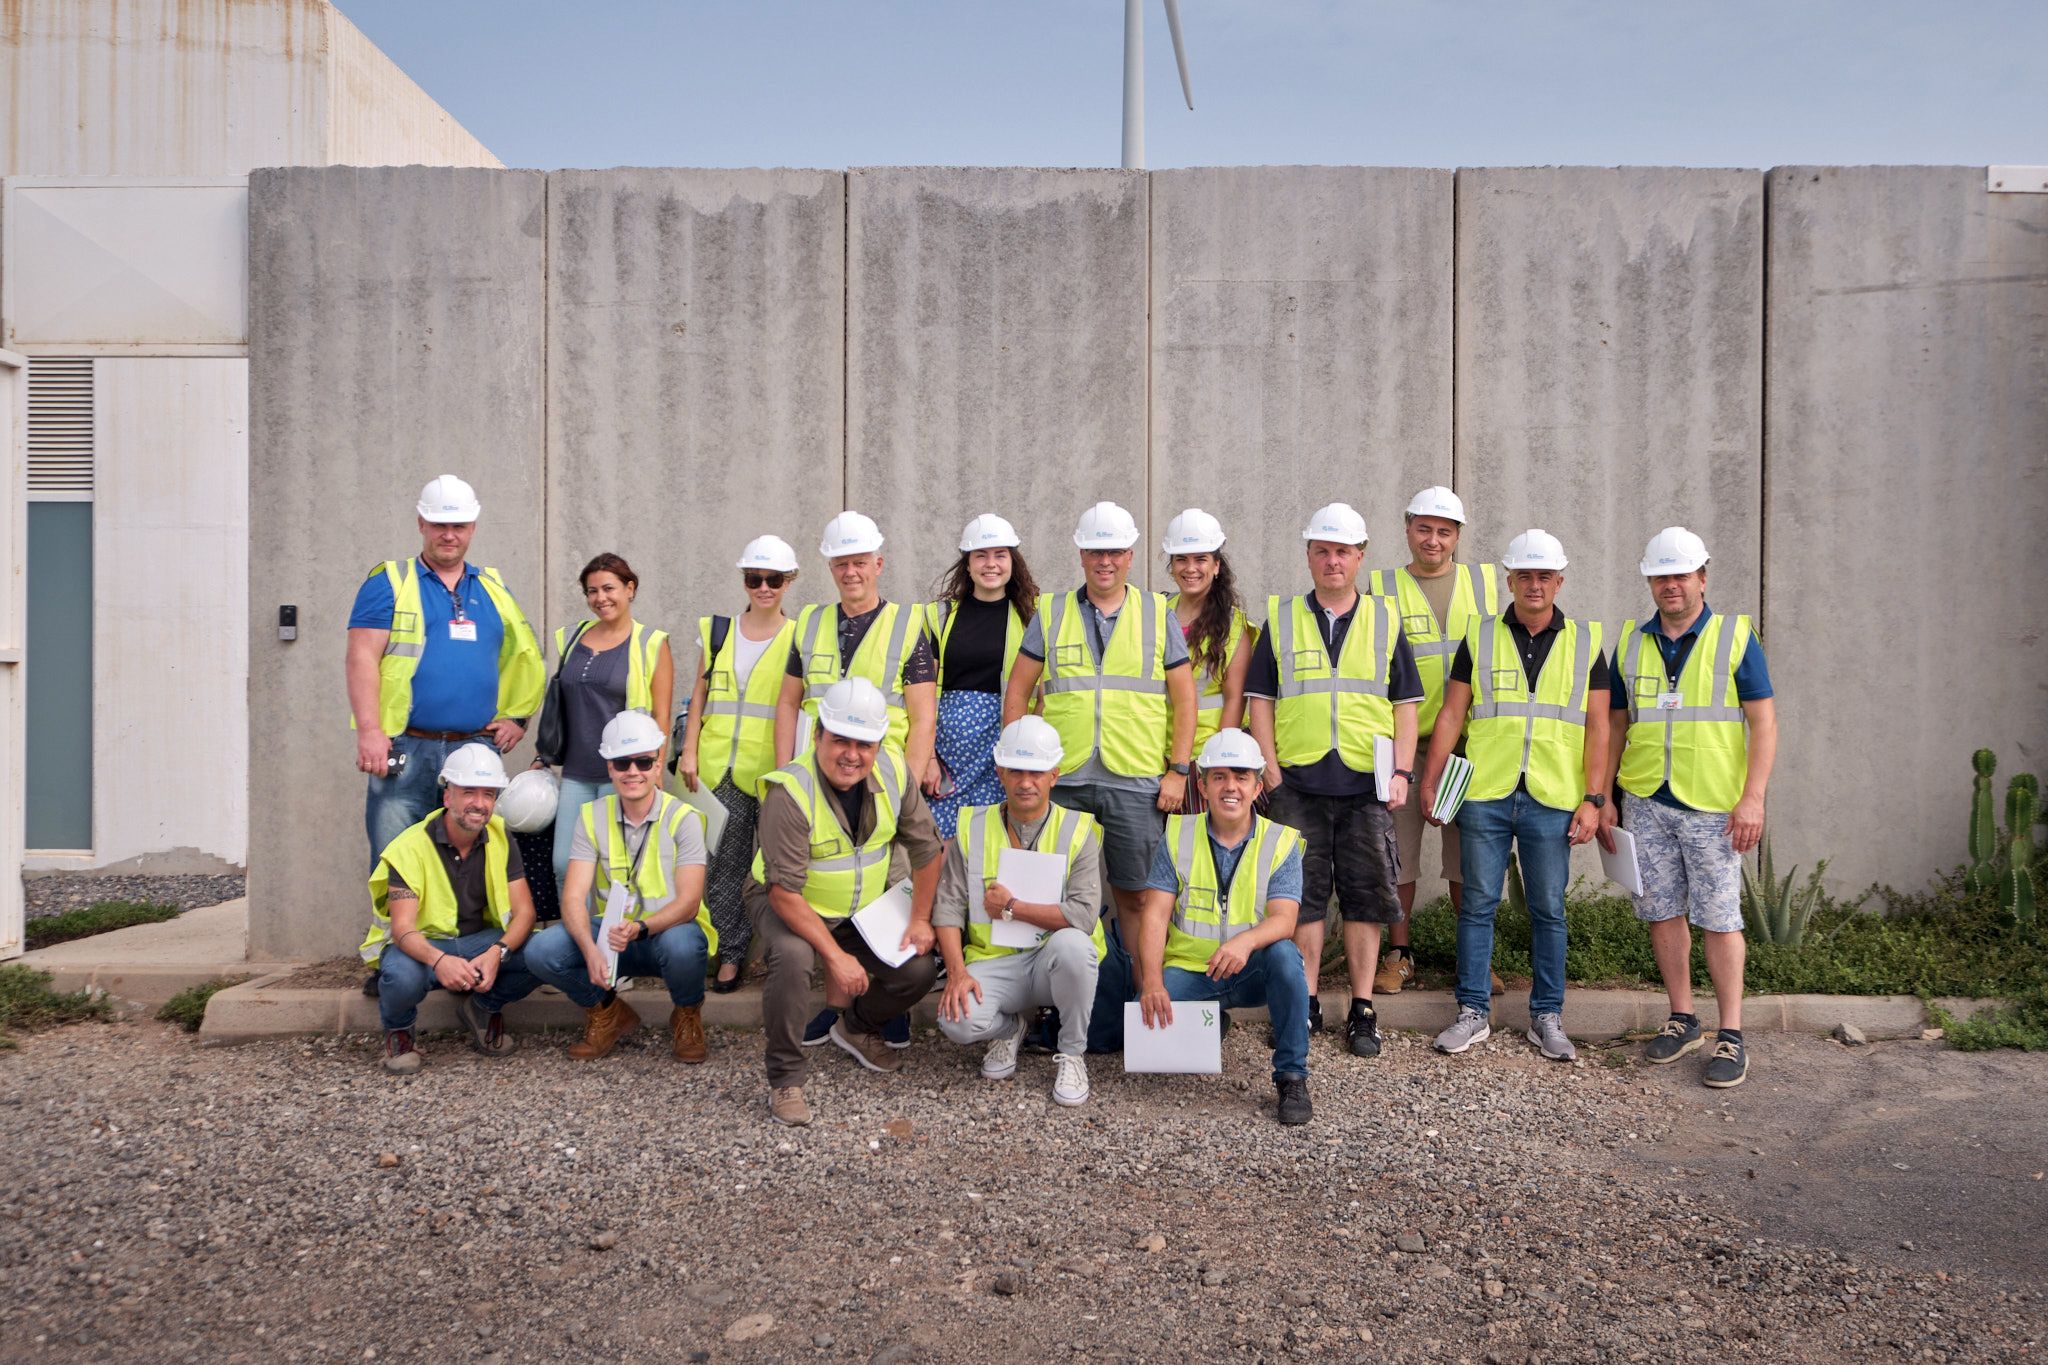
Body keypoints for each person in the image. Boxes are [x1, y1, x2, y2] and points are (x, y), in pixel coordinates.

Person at [1420, 531, 1609, 1062]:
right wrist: (1432, 782)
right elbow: (1452, 714)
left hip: (1552, 798)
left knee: (1548, 909)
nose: (1534, 585)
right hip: (1486, 792)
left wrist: (1593, 798)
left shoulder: (1586, 640)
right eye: (1524, 575)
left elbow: (1599, 728)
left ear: (1559, 581)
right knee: (1477, 904)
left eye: (1544, 576)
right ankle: (1472, 1013)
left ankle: (1547, 1017)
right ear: (1509, 580)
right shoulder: (1479, 637)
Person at [1598, 527, 1776, 1089]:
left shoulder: (1734, 637)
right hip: (1647, 801)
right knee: (1662, 912)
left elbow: (1763, 722)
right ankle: (1682, 1018)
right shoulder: (1630, 640)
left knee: (1720, 919)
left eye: (1680, 575)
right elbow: (1616, 725)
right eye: (1660, 576)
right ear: (1649, 581)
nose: (1670, 585)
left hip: (1714, 806)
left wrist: (1753, 798)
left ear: (1702, 577)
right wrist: (1603, 796)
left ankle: (1731, 1034)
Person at [1245, 502, 1423, 1059]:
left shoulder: (1385, 620)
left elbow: (1406, 706)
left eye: (1342, 551)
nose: (1331, 561)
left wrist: (1400, 772)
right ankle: (1308, 1000)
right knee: (1302, 900)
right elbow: (1260, 701)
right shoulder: (1282, 618)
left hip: (1366, 787)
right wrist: (1268, 766)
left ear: (1360, 557)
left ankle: (1364, 1007)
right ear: (1308, 555)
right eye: (1321, 550)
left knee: (1367, 898)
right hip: (1297, 783)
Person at [1004, 501, 1197, 1008]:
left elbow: (1185, 700)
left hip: (1135, 777)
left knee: (1136, 896)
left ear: (1131, 555)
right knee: (1047, 894)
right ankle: (1048, 1008)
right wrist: (1023, 764)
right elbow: (1018, 691)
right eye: (1094, 551)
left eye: (1113, 550)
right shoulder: (1052, 611)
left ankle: (1140, 1002)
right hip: (1062, 778)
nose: (1104, 560)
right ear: (1081, 554)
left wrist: (1178, 770)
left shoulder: (1159, 613)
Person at [748, 678, 946, 1126]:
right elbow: (784, 892)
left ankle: (855, 1027)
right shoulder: (789, 792)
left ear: (878, 745)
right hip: (787, 902)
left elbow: (927, 849)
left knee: (916, 968)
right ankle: (785, 1080)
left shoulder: (893, 772)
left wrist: (919, 919)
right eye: (840, 740)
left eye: (864, 744)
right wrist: (835, 957)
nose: (851, 755)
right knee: (794, 956)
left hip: (857, 906)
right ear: (818, 735)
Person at [779, 511, 939, 1050]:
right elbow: (787, 703)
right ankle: (835, 1007)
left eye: (859, 562)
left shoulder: (909, 623)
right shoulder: (809, 623)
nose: (851, 572)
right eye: (841, 563)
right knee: (832, 894)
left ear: (878, 563)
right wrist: (786, 775)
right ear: (830, 566)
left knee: (885, 892)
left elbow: (922, 715)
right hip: (822, 781)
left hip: (883, 784)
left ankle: (883, 1004)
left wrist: (905, 791)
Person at [1109, 728, 1314, 1126]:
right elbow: (1153, 916)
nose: (1230, 787)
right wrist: (1151, 982)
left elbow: (1285, 920)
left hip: (1251, 968)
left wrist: (1244, 943)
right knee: (1141, 1018)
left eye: (1241, 777)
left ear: (1258, 787)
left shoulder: (1281, 841)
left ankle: (1292, 1076)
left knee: (1287, 958)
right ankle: (1212, 1015)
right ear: (1202, 786)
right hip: (1193, 970)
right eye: (1219, 776)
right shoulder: (1177, 834)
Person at [346, 474, 544, 866]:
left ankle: (463, 932)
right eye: (439, 524)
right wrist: (370, 731)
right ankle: (394, 930)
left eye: (458, 526)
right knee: (396, 856)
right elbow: (361, 657)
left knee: (470, 862)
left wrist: (519, 717)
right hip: (405, 747)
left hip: (476, 748)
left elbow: (523, 657)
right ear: (421, 523)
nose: (449, 535)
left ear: (472, 527)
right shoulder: (389, 582)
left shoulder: (492, 587)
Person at [1367, 487, 1499, 995]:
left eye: (1444, 531)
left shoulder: (1485, 584)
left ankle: (1475, 958)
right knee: (1397, 852)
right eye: (1423, 528)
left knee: (1468, 856)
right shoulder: (1381, 587)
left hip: (1472, 745)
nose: (1433, 539)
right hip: (1405, 743)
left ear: (1457, 537)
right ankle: (1399, 954)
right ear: (1407, 530)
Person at [525, 712, 717, 1063]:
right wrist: (589, 949)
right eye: (622, 762)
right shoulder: (591, 815)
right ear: (609, 769)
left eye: (643, 761)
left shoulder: (684, 818)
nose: (633, 771)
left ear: (658, 766)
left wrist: (642, 928)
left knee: (685, 945)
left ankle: (687, 1014)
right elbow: (572, 896)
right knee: (542, 950)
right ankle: (608, 1011)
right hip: (612, 936)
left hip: (664, 933)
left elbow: (689, 902)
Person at [933, 716, 1104, 1106]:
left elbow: (1082, 916)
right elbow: (947, 905)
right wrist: (957, 974)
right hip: (995, 964)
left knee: (1076, 948)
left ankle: (1073, 1054)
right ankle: (1009, 1029)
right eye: (1016, 771)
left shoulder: (1079, 830)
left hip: (1052, 962)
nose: (1026, 781)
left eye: (1037, 772)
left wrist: (1012, 907)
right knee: (955, 1020)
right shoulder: (972, 827)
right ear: (1000, 773)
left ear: (1054, 776)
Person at [360, 743, 542, 1074]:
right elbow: (403, 929)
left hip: (478, 945)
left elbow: (525, 913)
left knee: (543, 950)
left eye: (488, 794)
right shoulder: (409, 847)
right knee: (400, 976)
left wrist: (497, 953)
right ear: (447, 797)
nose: (479, 803)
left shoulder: (501, 837)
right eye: (468, 792)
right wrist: (439, 960)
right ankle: (400, 1032)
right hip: (423, 947)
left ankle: (482, 1009)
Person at [677, 535, 801, 993]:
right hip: (716, 771)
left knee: (777, 871)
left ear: (789, 582)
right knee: (724, 868)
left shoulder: (799, 635)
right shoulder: (717, 631)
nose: (764, 588)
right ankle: (730, 954)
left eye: (773, 579)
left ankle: (776, 956)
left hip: (771, 772)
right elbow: (699, 695)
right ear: (744, 580)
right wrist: (688, 750)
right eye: (754, 578)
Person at [531, 553, 674, 889]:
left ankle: (614, 939)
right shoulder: (570, 637)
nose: (600, 598)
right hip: (577, 775)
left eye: (609, 588)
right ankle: (579, 939)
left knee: (617, 871)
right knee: (565, 865)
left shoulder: (652, 643)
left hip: (626, 774)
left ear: (630, 588)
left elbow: (661, 716)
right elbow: (560, 705)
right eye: (592, 591)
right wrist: (543, 755)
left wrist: (654, 771)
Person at [923, 514, 1039, 838]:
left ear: (1012, 561)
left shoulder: (1033, 617)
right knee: (940, 847)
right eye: (981, 555)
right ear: (968, 563)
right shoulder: (940, 615)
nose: (991, 564)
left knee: (996, 841)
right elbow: (923, 694)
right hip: (947, 757)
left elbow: (1042, 693)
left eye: (1000, 555)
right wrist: (927, 756)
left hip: (1005, 749)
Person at [1161, 508, 1255, 807]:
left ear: (1216, 566)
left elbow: (1235, 699)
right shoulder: (1154, 613)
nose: (1191, 568)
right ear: (1172, 565)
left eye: (1200, 559)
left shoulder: (1233, 624)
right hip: (1154, 754)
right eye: (1182, 559)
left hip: (1204, 757)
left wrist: (1218, 763)